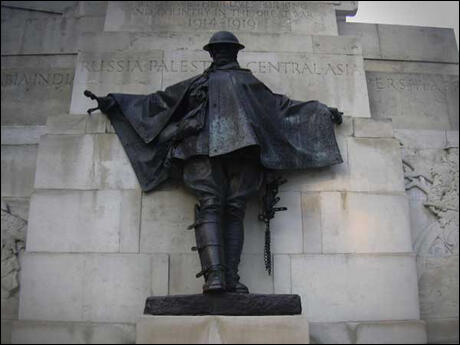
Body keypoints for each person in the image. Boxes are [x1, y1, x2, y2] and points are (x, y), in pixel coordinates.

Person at [84, 31, 343, 294]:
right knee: (231, 209)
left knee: (219, 207)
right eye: (220, 50)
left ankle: (221, 278)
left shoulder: (208, 83)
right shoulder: (234, 83)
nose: (219, 54)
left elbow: (159, 103)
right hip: (229, 152)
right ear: (233, 52)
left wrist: (320, 112)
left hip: (208, 152)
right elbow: (281, 107)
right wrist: (117, 101)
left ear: (215, 53)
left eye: (220, 50)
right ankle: (222, 278)